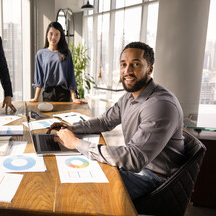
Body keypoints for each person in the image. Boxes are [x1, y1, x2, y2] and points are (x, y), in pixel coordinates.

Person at [47, 41, 185, 200]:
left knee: (81, 187)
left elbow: (134, 158)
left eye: (136, 64)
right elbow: (105, 121)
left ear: (150, 69)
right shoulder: (130, 96)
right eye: (123, 64)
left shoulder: (160, 105)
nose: (127, 70)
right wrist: (72, 129)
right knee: (79, 165)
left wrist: (77, 143)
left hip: (156, 180)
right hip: (137, 169)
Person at [30, 22, 87, 103]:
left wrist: (73, 97)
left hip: (63, 94)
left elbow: (71, 76)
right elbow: (39, 78)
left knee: (64, 115)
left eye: (57, 34)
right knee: (48, 116)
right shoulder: (40, 54)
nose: (53, 37)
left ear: (61, 36)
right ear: (47, 35)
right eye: (51, 34)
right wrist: (36, 98)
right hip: (48, 93)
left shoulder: (66, 53)